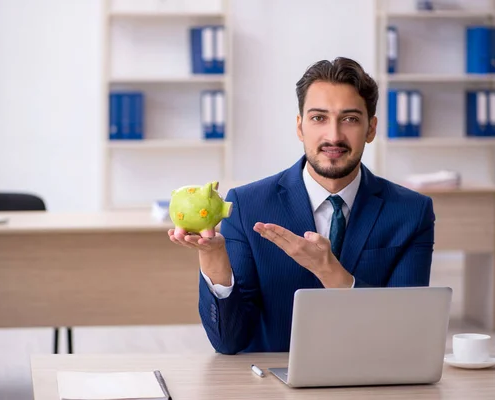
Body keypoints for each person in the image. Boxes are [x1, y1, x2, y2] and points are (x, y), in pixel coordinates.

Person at [168, 57, 435, 355]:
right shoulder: (246, 205)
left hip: (372, 377)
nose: (333, 136)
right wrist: (214, 256)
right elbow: (229, 342)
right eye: (319, 118)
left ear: (371, 129)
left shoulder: (412, 212)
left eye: (350, 119)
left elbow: (406, 332)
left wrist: (331, 272)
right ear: (300, 126)